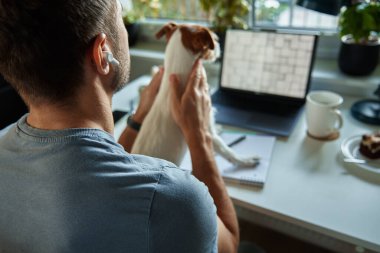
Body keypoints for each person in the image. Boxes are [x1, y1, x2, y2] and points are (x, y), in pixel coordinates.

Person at [0, 0, 239, 252]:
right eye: (121, 17)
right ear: (103, 53)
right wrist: (198, 134)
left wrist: (138, 118)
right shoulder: (173, 200)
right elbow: (229, 243)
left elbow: (93, 165)